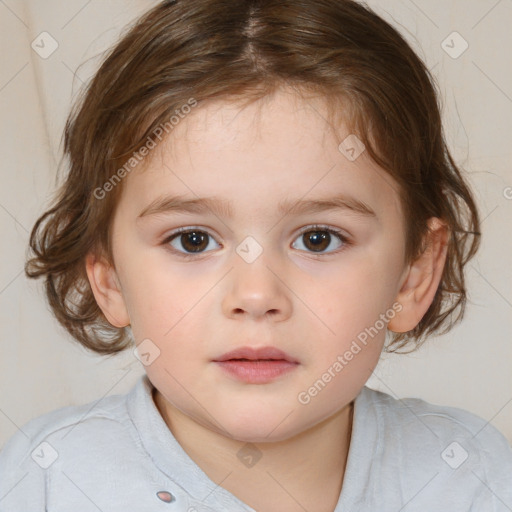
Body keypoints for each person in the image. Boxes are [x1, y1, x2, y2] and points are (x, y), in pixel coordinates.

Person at [1, 0, 511, 510]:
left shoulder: (472, 477)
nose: (256, 296)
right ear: (109, 277)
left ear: (413, 274)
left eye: (318, 239)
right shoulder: (44, 481)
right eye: (193, 240)